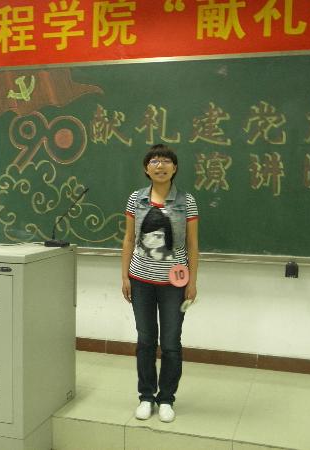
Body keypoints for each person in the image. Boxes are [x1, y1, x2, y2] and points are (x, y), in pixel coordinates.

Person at [121, 144, 199, 423]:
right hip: (140, 280)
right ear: (146, 168)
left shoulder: (186, 201)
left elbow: (192, 244)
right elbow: (129, 239)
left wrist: (192, 282)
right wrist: (124, 276)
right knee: (145, 341)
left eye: (166, 161)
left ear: (174, 168)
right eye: (154, 161)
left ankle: (166, 398)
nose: (160, 165)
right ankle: (146, 396)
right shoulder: (136, 199)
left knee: (170, 343)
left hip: (174, 284)